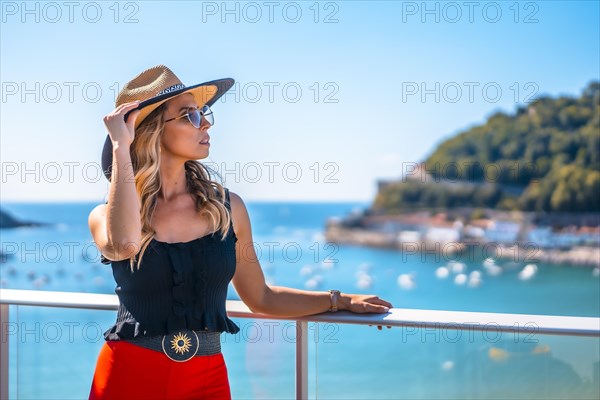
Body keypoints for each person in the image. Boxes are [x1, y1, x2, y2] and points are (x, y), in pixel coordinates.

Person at [87, 65, 394, 400]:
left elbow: (260, 297)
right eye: (189, 115)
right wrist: (120, 148)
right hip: (129, 377)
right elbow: (124, 243)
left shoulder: (227, 209)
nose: (205, 122)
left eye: (203, 112)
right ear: (151, 131)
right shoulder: (104, 216)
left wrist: (341, 301)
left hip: (206, 378)